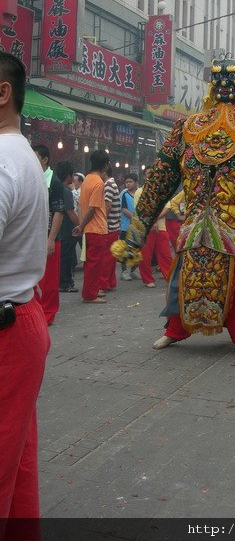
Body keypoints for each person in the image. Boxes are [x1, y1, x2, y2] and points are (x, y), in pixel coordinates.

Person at [112, 58, 235, 357]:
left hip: (227, 230)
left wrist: (133, 239)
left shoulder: (199, 128)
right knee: (188, 280)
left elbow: (158, 184)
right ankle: (183, 332)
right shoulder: (212, 128)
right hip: (210, 228)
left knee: (228, 283)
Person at [0, 51, 51, 519]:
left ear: (3, 93)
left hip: (6, 330)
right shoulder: (22, 155)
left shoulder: (2, 161)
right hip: (22, 319)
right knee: (15, 465)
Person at [32, 144, 65, 325]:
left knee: (50, 280)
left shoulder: (55, 182)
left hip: (50, 237)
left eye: (35, 156)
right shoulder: (32, 178)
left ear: (45, 159)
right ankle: (37, 311)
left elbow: (59, 211)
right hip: (34, 237)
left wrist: (51, 239)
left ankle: (48, 313)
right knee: (34, 278)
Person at [72, 150, 109, 304]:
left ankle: (92, 290)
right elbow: (93, 208)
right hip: (97, 228)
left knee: (92, 263)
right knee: (95, 263)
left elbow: (82, 205)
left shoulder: (87, 179)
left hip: (90, 229)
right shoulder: (99, 182)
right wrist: (81, 226)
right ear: (105, 165)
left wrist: (81, 225)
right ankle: (90, 294)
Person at [135, 167, 173, 288]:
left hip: (161, 227)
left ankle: (170, 277)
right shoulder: (139, 192)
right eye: (148, 174)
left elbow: (167, 207)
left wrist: (155, 219)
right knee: (145, 256)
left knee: (165, 254)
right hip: (146, 229)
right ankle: (147, 279)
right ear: (144, 176)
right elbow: (139, 210)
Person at [54, 160, 79, 292]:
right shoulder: (66, 191)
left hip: (58, 230)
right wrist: (81, 225)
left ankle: (61, 282)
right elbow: (70, 212)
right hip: (67, 230)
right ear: (69, 176)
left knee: (62, 258)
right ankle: (65, 283)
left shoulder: (55, 187)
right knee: (66, 258)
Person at [100, 166, 121, 293]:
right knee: (111, 257)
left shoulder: (108, 185)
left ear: (104, 172)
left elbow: (107, 207)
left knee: (106, 258)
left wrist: (101, 222)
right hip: (114, 226)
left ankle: (104, 283)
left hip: (110, 226)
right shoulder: (112, 184)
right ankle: (110, 282)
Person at [119, 172, 140, 281]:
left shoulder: (140, 193)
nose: (128, 184)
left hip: (137, 228)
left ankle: (133, 270)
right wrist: (134, 217)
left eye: (130, 181)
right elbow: (123, 209)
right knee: (124, 249)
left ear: (136, 183)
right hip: (125, 226)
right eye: (126, 182)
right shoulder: (124, 194)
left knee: (136, 249)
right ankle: (124, 271)